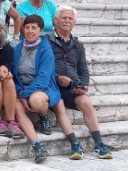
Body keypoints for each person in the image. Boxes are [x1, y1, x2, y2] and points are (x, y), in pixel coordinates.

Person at [13, 14, 83, 161]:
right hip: (23, 89)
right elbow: (15, 75)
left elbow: (43, 79)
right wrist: (20, 93)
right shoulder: (17, 48)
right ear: (22, 29)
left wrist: (24, 94)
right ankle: (37, 146)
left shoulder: (46, 48)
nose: (30, 31)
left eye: (34, 28)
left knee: (40, 101)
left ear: (40, 31)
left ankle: (74, 143)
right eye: (27, 27)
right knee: (17, 108)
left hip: (44, 88)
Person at [47, 5, 112, 159]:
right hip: (52, 87)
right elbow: (41, 68)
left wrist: (83, 85)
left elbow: (83, 70)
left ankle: (99, 144)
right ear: (55, 21)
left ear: (74, 22)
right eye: (64, 18)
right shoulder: (46, 41)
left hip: (72, 87)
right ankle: (75, 144)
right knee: (59, 104)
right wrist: (57, 78)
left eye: (70, 19)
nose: (67, 21)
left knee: (85, 101)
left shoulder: (78, 45)